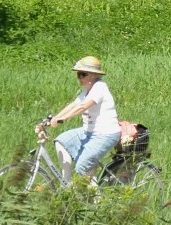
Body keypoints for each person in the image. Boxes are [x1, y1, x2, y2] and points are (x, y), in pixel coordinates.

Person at [43, 56, 121, 184]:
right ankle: (66, 184)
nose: (79, 78)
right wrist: (56, 117)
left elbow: (83, 106)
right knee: (61, 141)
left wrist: (63, 118)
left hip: (105, 134)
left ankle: (97, 200)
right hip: (88, 131)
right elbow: (74, 104)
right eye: (78, 74)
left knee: (82, 167)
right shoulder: (87, 90)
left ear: (92, 76)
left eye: (82, 74)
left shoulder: (100, 87)